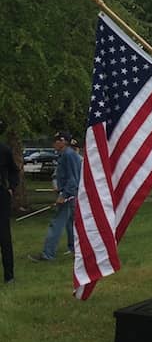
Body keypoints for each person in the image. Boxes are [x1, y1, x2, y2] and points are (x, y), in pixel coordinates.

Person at [28, 131, 82, 261]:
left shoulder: (68, 155)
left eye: (56, 141)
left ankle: (48, 253)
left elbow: (72, 179)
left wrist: (63, 195)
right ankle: (75, 249)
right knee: (71, 223)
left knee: (56, 223)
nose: (54, 143)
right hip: (71, 194)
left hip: (68, 195)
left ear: (63, 141)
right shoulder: (67, 154)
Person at [0, 121, 20, 284]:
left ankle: (9, 275)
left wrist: (11, 187)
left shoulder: (4, 150)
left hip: (1, 196)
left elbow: (14, 171)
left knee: (4, 236)